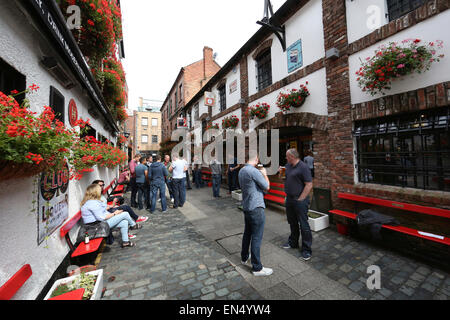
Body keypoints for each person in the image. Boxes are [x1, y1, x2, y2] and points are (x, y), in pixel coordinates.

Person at [238, 154, 272, 276]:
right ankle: (257, 268)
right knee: (257, 237)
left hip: (247, 206)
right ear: (256, 159)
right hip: (256, 207)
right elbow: (267, 187)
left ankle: (244, 257)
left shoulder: (242, 170)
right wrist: (265, 174)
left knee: (247, 233)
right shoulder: (254, 171)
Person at [81, 184, 142, 248]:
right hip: (97, 227)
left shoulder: (93, 202)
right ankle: (133, 225)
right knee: (125, 214)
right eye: (99, 190)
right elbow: (102, 217)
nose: (101, 191)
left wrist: (114, 213)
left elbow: (104, 212)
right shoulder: (92, 203)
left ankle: (125, 242)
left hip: (100, 224)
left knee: (124, 222)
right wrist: (114, 214)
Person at [281, 148, 314, 261]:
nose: (286, 158)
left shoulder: (303, 167)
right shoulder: (288, 166)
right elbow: (286, 179)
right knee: (292, 222)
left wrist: (301, 199)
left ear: (292, 157)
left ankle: (306, 250)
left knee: (304, 225)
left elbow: (309, 184)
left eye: (287, 156)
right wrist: (282, 176)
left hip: (300, 200)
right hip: (289, 199)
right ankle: (293, 242)